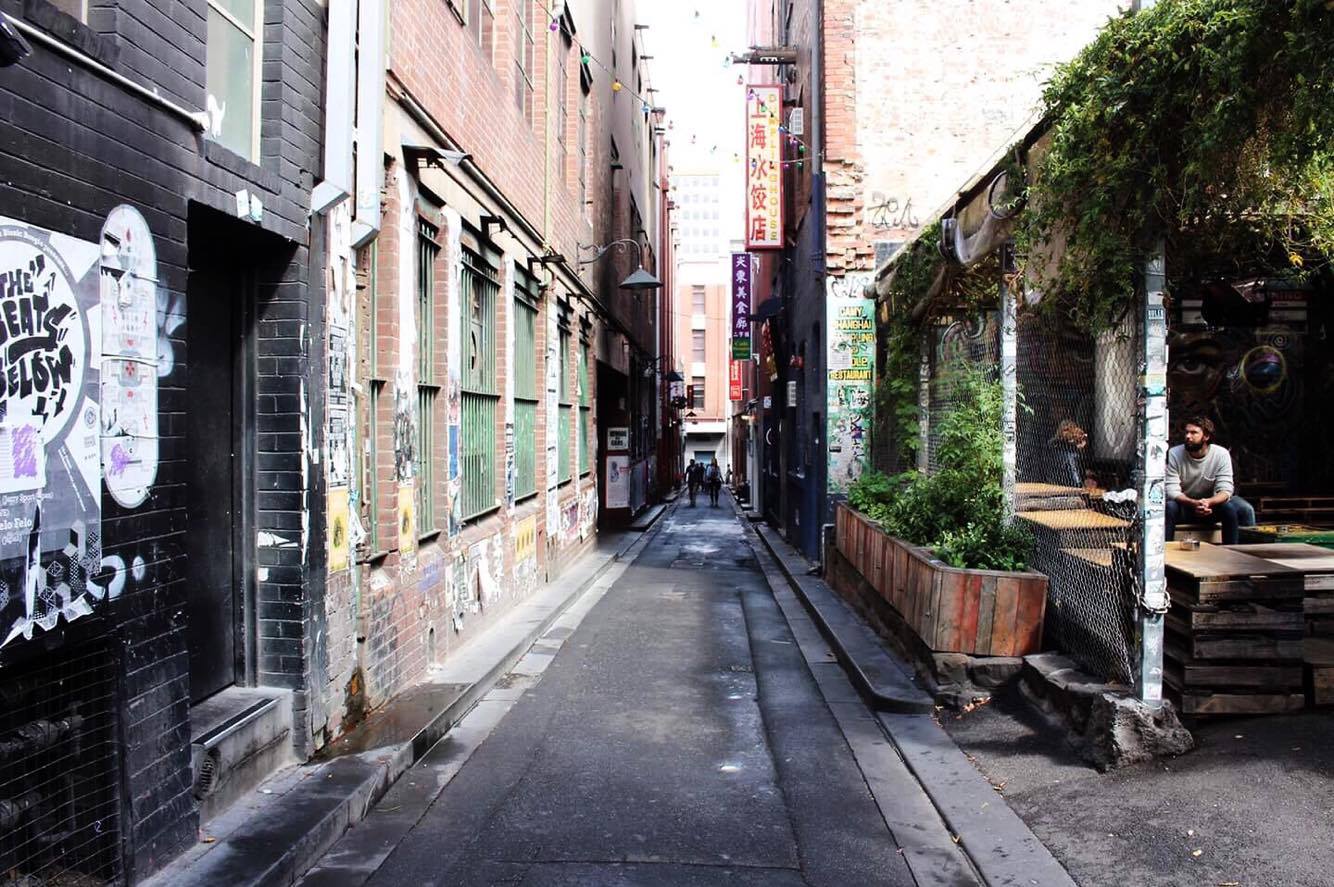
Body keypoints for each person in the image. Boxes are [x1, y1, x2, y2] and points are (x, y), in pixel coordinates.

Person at [1165, 416, 1245, 545]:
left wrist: (1208, 502)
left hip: (1211, 506)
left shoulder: (1221, 454)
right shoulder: (1174, 453)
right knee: (1170, 507)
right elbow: (1171, 490)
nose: (1188, 436)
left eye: (1194, 433)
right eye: (1187, 432)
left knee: (1230, 508)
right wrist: (1193, 503)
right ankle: (1164, 552)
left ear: (1206, 436)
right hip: (1185, 505)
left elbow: (1226, 490)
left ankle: (1232, 550)